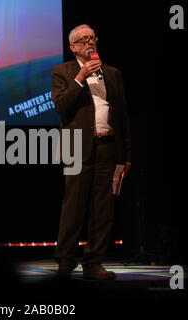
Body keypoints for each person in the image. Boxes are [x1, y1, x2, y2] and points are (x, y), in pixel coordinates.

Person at [51, 24, 131, 280]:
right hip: (76, 147)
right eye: (83, 40)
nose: (90, 43)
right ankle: (65, 261)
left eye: (92, 38)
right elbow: (62, 106)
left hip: (107, 147)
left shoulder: (113, 73)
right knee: (73, 207)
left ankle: (94, 262)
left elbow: (123, 117)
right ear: (73, 47)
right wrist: (81, 76)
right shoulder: (62, 71)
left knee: (103, 208)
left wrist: (124, 154)